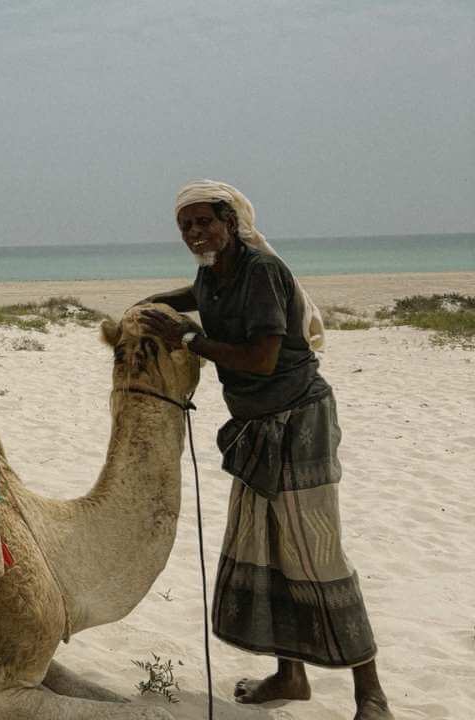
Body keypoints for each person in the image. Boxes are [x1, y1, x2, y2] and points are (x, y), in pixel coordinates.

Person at [137, 180, 392, 720]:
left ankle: (371, 694)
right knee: (267, 549)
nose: (195, 232)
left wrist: (186, 339)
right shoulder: (214, 272)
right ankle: (290, 675)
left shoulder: (261, 272)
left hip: (299, 422)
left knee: (316, 552)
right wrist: (152, 305)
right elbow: (197, 297)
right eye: (185, 225)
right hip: (256, 426)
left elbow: (262, 359)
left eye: (204, 221)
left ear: (231, 223)